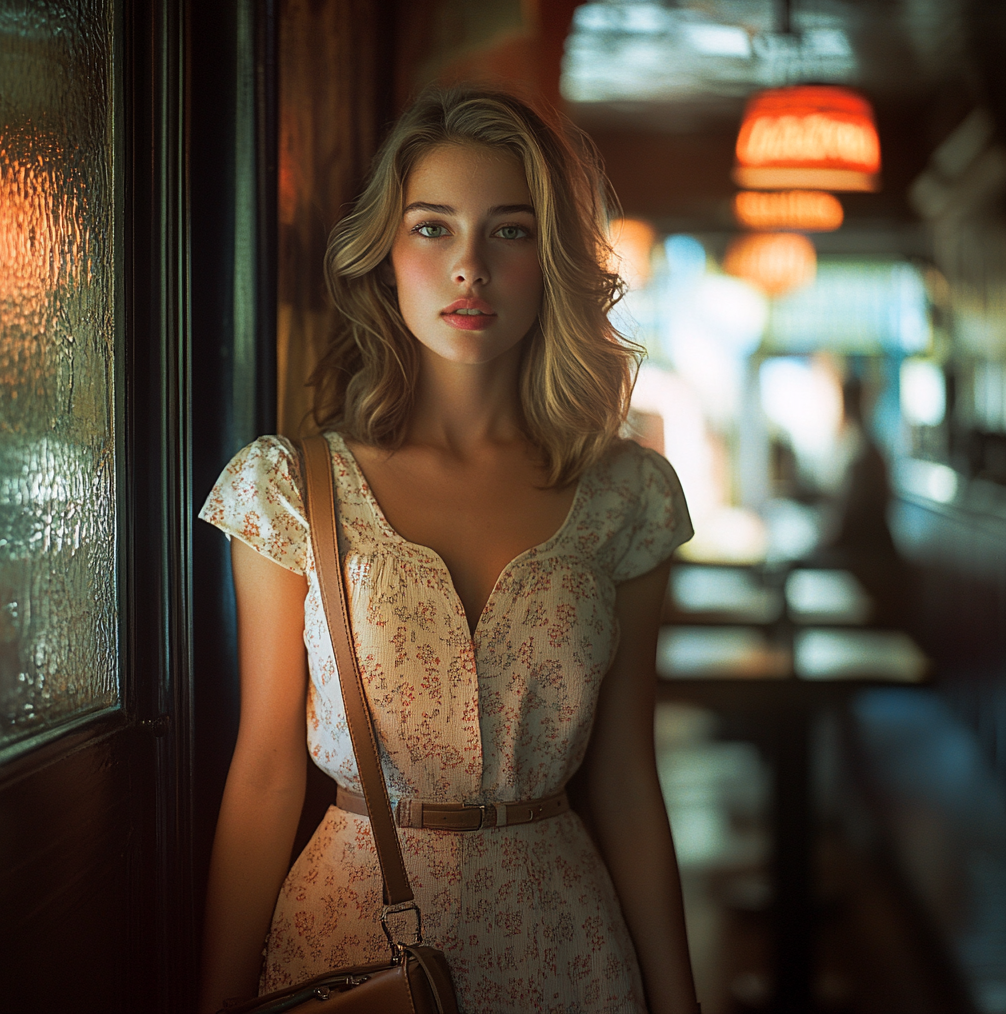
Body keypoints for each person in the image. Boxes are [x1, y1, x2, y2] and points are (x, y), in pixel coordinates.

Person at [197, 86, 699, 1014]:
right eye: (433, 228)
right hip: (349, 943)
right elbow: (267, 772)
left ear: (550, 264)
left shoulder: (628, 495)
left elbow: (628, 777)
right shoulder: (288, 489)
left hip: (567, 948)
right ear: (386, 257)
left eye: (508, 232)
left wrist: (679, 1000)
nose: (469, 267)